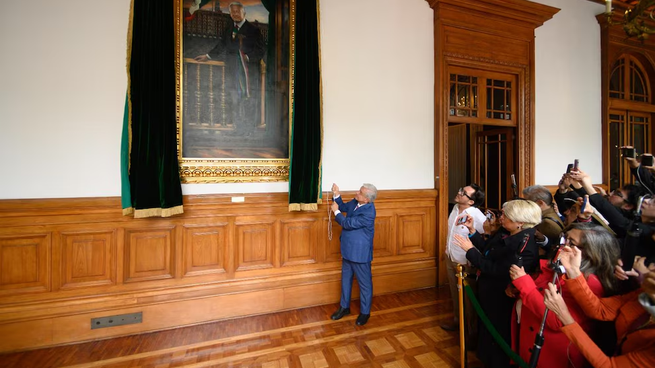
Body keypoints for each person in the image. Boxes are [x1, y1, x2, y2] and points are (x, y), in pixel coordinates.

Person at [509, 223, 620, 368]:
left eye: (571, 243)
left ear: (589, 252)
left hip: (553, 354)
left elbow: (558, 320)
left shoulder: (590, 283)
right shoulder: (561, 268)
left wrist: (524, 284)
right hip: (532, 343)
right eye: (564, 239)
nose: (562, 245)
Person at [454, 199, 541, 368]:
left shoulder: (525, 245)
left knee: (497, 332)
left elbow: (493, 269)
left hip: (500, 295)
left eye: (505, 215)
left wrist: (470, 251)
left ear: (520, 222)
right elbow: (488, 249)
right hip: (489, 291)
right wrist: (472, 232)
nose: (501, 218)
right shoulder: (508, 232)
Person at [543, 249, 655, 367]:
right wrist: (573, 271)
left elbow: (608, 365)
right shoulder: (645, 293)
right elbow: (600, 310)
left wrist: (564, 316)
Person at [194, 2, 266, 136]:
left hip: (248, 73)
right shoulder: (229, 29)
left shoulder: (253, 30)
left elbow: (261, 50)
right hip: (232, 71)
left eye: (237, 11)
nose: (235, 14)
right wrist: (208, 56)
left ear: (244, 13)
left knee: (248, 101)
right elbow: (222, 45)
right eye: (232, 12)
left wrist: (248, 58)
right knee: (234, 100)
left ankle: (249, 131)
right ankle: (238, 129)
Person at [441, 184, 486, 349]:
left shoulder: (477, 216)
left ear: (472, 201)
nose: (459, 193)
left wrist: (474, 259)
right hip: (451, 257)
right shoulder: (454, 209)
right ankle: (457, 322)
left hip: (466, 262)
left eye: (463, 193)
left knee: (469, 300)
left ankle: (471, 334)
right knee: (455, 294)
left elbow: (482, 241)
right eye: (460, 190)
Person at [329, 183, 378, 326]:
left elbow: (347, 223)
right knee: (345, 280)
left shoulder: (369, 212)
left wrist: (336, 213)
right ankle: (344, 307)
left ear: (367, 199)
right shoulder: (356, 201)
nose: (357, 193)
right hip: (347, 250)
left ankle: (365, 313)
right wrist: (336, 194)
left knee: (365, 285)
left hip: (360, 254)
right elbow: (343, 207)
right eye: (359, 190)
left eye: (361, 192)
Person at [522, 185, 565, 250]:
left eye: (528, 203)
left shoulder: (547, 222)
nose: (525, 206)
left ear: (540, 203)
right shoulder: (551, 213)